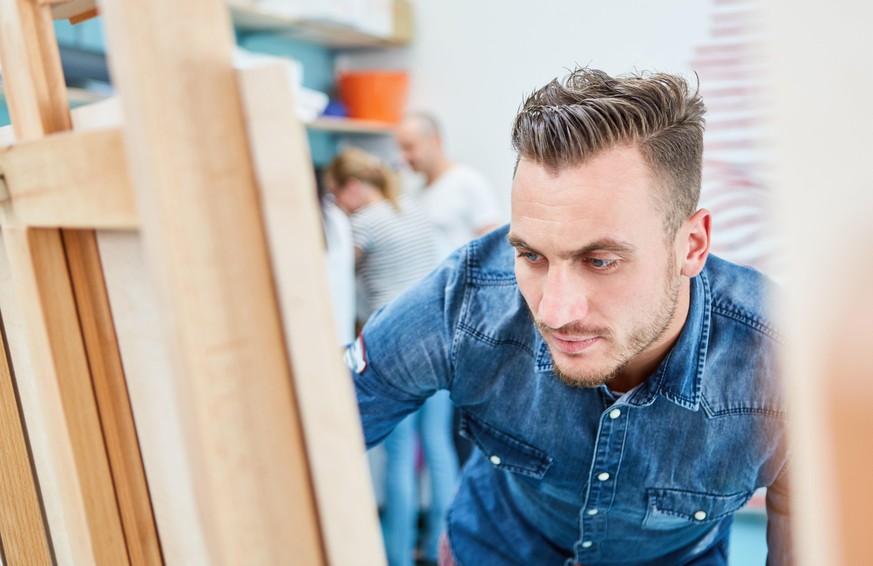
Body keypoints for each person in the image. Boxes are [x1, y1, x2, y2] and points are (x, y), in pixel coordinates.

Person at [345, 68, 792, 565]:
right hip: (494, 549)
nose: (554, 312)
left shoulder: (783, 361)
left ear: (692, 246)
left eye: (600, 261)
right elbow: (318, 430)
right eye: (532, 255)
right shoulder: (467, 299)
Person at [326, 148, 458, 566]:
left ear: (351, 188)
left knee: (399, 456)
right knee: (438, 448)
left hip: (397, 349)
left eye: (335, 195)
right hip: (440, 344)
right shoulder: (413, 210)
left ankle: (396, 556)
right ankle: (441, 549)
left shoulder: (362, 225)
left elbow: (330, 280)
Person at [395, 112, 502, 260]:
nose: (404, 157)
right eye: (401, 149)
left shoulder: (468, 181)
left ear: (434, 140)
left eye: (409, 147)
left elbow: (494, 244)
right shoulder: (416, 192)